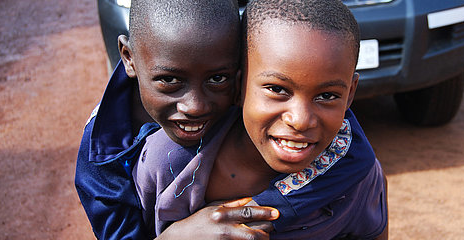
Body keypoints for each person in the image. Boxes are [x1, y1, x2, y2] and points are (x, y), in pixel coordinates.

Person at [133, 0, 388, 239]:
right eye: (277, 89)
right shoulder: (166, 163)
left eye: (327, 95)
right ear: (239, 84)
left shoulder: (357, 178)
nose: (300, 120)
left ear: (350, 93)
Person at [74, 0, 279, 239]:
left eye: (217, 79)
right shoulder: (101, 153)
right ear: (129, 58)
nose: (194, 106)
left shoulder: (254, 90)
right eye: (170, 81)